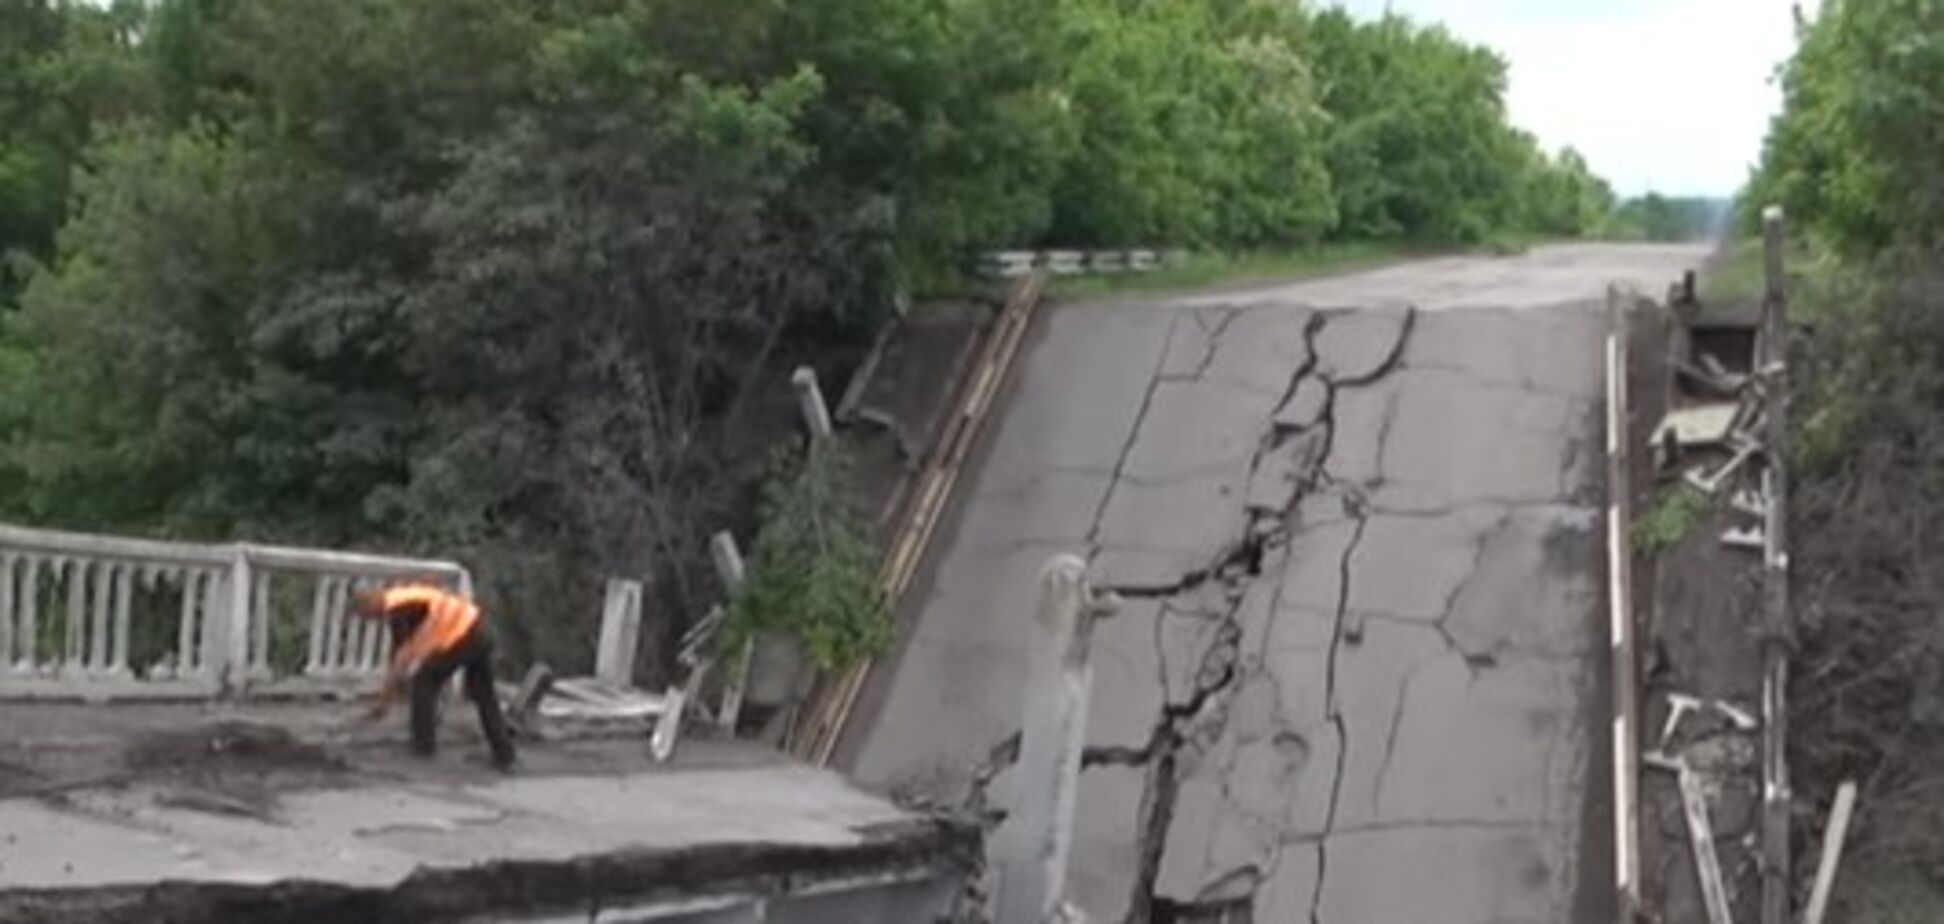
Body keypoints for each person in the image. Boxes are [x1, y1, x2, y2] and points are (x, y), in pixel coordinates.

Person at [351, 581, 517, 770]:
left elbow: (402, 658)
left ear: (370, 604)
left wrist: (383, 701)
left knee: (423, 684)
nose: (372, 620)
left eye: (367, 616)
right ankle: (504, 752)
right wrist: (389, 693)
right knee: (484, 694)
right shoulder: (403, 597)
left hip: (461, 636)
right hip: (478, 627)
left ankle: (423, 747)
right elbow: (402, 655)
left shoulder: (398, 610)